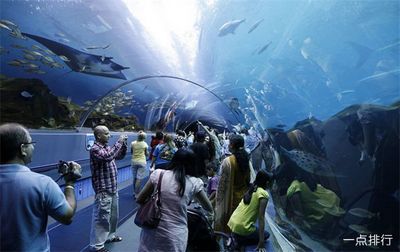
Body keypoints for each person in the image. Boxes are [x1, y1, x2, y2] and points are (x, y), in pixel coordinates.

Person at [0, 123, 80, 251]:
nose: (33, 147)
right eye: (31, 143)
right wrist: (70, 183)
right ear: (23, 149)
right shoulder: (43, 183)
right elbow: (67, 217)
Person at [136, 148, 214, 251]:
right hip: (175, 235)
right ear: (192, 164)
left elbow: (140, 199)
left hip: (152, 230)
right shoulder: (195, 182)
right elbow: (208, 207)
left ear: (174, 160)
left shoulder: (158, 174)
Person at [89, 125, 127, 252]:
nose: (109, 135)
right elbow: (107, 157)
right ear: (99, 136)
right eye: (106, 133)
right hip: (103, 190)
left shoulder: (107, 147)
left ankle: (110, 236)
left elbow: (118, 156)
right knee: (102, 218)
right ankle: (97, 246)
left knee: (113, 216)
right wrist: (119, 142)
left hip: (113, 188)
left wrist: (124, 145)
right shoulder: (94, 149)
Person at [215, 134, 256, 233]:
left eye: (229, 143)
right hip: (243, 196)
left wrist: (218, 201)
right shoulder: (246, 158)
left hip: (231, 198)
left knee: (228, 223)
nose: (228, 145)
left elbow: (222, 185)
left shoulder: (228, 161)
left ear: (232, 145)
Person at [228, 170, 273, 252]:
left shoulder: (252, 188)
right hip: (242, 227)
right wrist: (261, 241)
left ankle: (237, 238)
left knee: (253, 228)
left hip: (232, 223)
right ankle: (240, 242)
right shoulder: (263, 194)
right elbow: (261, 218)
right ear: (267, 183)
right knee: (266, 235)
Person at [131, 130, 148, 198]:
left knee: (134, 178)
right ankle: (137, 194)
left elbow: (132, 152)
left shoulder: (133, 143)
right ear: (144, 138)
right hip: (142, 162)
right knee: (139, 178)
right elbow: (146, 154)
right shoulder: (145, 144)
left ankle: (134, 191)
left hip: (134, 161)